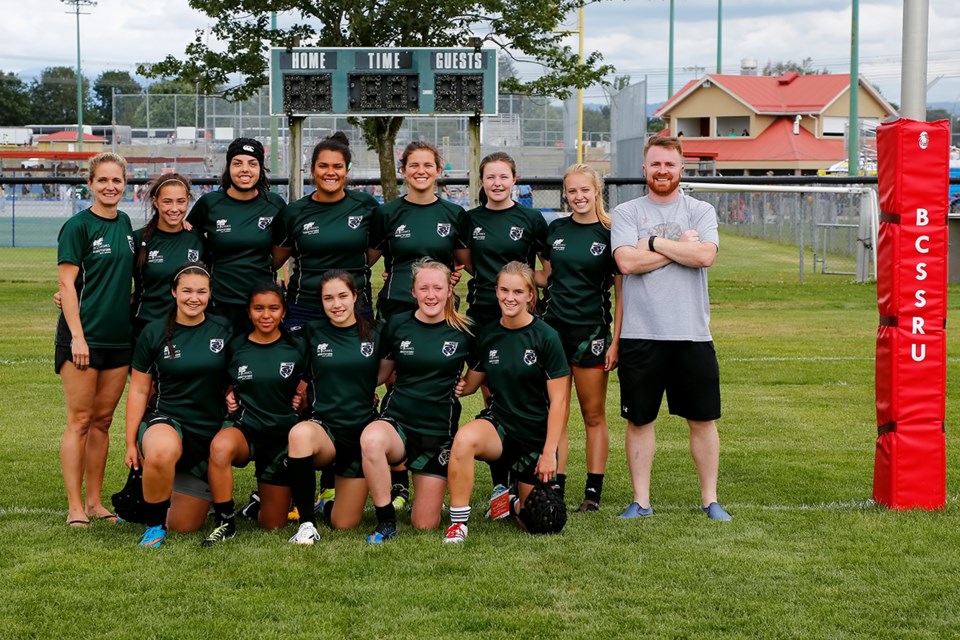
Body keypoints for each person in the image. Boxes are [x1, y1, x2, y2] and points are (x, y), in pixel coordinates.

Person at [610, 135, 731, 521]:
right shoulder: (626, 212)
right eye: (656, 164)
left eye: (670, 164)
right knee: (639, 419)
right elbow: (626, 263)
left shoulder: (700, 210)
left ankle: (710, 499)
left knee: (702, 419)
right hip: (640, 335)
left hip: (692, 333)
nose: (662, 171)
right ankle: (641, 502)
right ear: (645, 169)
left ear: (681, 169)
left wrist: (653, 243)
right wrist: (677, 248)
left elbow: (705, 256)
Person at [368, 141, 470, 509]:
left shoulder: (454, 214)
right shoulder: (388, 213)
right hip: (396, 311)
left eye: (428, 164)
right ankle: (398, 482)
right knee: (398, 382)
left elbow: (464, 262)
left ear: (439, 169)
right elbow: (368, 259)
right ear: (404, 169)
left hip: (439, 313)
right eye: (414, 165)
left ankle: (427, 468)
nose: (421, 171)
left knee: (432, 381)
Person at [443, 261, 570, 543]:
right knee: (464, 440)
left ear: (529, 296)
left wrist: (549, 452)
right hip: (499, 427)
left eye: (517, 291)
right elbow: (471, 384)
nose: (509, 297)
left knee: (541, 519)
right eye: (503, 290)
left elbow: (559, 401)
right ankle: (458, 524)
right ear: (496, 291)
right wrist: (453, 382)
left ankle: (510, 501)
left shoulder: (546, 337)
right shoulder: (488, 334)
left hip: (534, 435)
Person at [359, 259, 472, 543]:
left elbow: (482, 369)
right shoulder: (397, 324)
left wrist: (466, 386)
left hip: (437, 432)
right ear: (413, 292)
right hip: (399, 421)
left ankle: (427, 492)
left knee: (424, 524)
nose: (430, 295)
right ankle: (386, 521)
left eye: (437, 287)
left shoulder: (466, 330)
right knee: (371, 439)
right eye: (424, 288)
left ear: (449, 290)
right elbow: (381, 373)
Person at [125, 264, 233, 547]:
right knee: (161, 451)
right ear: (174, 292)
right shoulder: (153, 332)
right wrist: (129, 443)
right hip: (167, 419)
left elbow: (244, 370)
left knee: (184, 526)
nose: (193, 298)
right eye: (186, 290)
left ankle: (159, 490)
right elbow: (138, 390)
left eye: (201, 291)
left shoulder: (224, 330)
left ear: (210, 295)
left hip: (207, 432)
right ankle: (154, 525)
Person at [56, 152, 135, 527]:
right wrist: (77, 337)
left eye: (116, 181)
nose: (110, 187)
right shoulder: (78, 226)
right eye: (102, 180)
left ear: (125, 184)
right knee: (80, 420)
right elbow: (66, 285)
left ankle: (94, 502)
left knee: (103, 421)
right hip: (82, 340)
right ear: (90, 184)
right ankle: (74, 506)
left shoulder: (126, 224)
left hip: (120, 341)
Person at [537, 163, 622, 512]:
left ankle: (592, 493)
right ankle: (555, 486)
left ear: (596, 191)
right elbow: (546, 278)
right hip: (553, 331)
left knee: (593, 414)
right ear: (565, 194)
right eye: (572, 191)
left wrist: (617, 340)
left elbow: (621, 294)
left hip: (591, 333)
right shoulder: (555, 229)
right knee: (555, 412)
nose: (578, 197)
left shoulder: (611, 232)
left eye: (584, 190)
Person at [200, 282, 308, 547]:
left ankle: (256, 504)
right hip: (246, 429)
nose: (266, 315)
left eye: (273, 308)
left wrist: (304, 393)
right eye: (258, 308)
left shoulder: (297, 346)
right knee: (220, 447)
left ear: (284, 312)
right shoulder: (235, 346)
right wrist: (227, 394)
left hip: (281, 437)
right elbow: (218, 381)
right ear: (249, 312)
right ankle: (225, 522)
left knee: (272, 524)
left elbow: (312, 380)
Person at [287, 270, 386, 544]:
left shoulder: (376, 331)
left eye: (343, 296)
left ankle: (326, 505)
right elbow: (291, 370)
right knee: (299, 434)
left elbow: (390, 372)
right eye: (328, 298)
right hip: (326, 431)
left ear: (355, 296)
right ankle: (307, 524)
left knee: (343, 523)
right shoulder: (312, 332)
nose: (336, 304)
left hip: (362, 435)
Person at [272, 133, 379, 329]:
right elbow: (273, 262)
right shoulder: (293, 213)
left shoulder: (367, 206)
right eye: (323, 166)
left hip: (356, 307)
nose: (331, 172)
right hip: (305, 308)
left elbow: (375, 251)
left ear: (346, 170)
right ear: (313, 169)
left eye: (337, 166)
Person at [187, 137, 285, 333]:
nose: (245, 169)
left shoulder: (275, 204)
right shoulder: (209, 203)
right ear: (228, 167)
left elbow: (283, 249)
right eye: (237, 163)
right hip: (220, 302)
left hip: (260, 305)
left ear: (261, 168)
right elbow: (187, 237)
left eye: (252, 163)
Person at [460, 151, 547, 330]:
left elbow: (548, 272)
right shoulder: (469, 219)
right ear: (482, 181)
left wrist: (520, 282)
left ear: (514, 179)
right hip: (483, 306)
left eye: (504, 177)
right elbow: (468, 264)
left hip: (522, 308)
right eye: (490, 177)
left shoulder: (531, 218)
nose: (497, 183)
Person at [132, 173, 205, 340]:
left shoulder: (198, 239)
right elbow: (113, 277)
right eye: (167, 201)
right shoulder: (138, 239)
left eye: (180, 201)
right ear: (155, 201)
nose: (174, 209)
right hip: (147, 327)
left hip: (188, 330)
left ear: (188, 200)